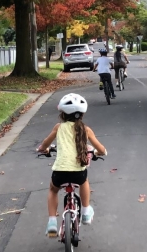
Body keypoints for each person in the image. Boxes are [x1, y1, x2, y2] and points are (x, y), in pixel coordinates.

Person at [37, 93, 107, 237]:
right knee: (84, 181)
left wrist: (42, 149)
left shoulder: (58, 127)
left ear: (62, 114)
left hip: (60, 172)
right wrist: (101, 152)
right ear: (82, 114)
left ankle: (51, 222)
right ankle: (86, 211)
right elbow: (100, 149)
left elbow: (45, 144)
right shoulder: (86, 130)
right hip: (77, 173)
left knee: (53, 189)